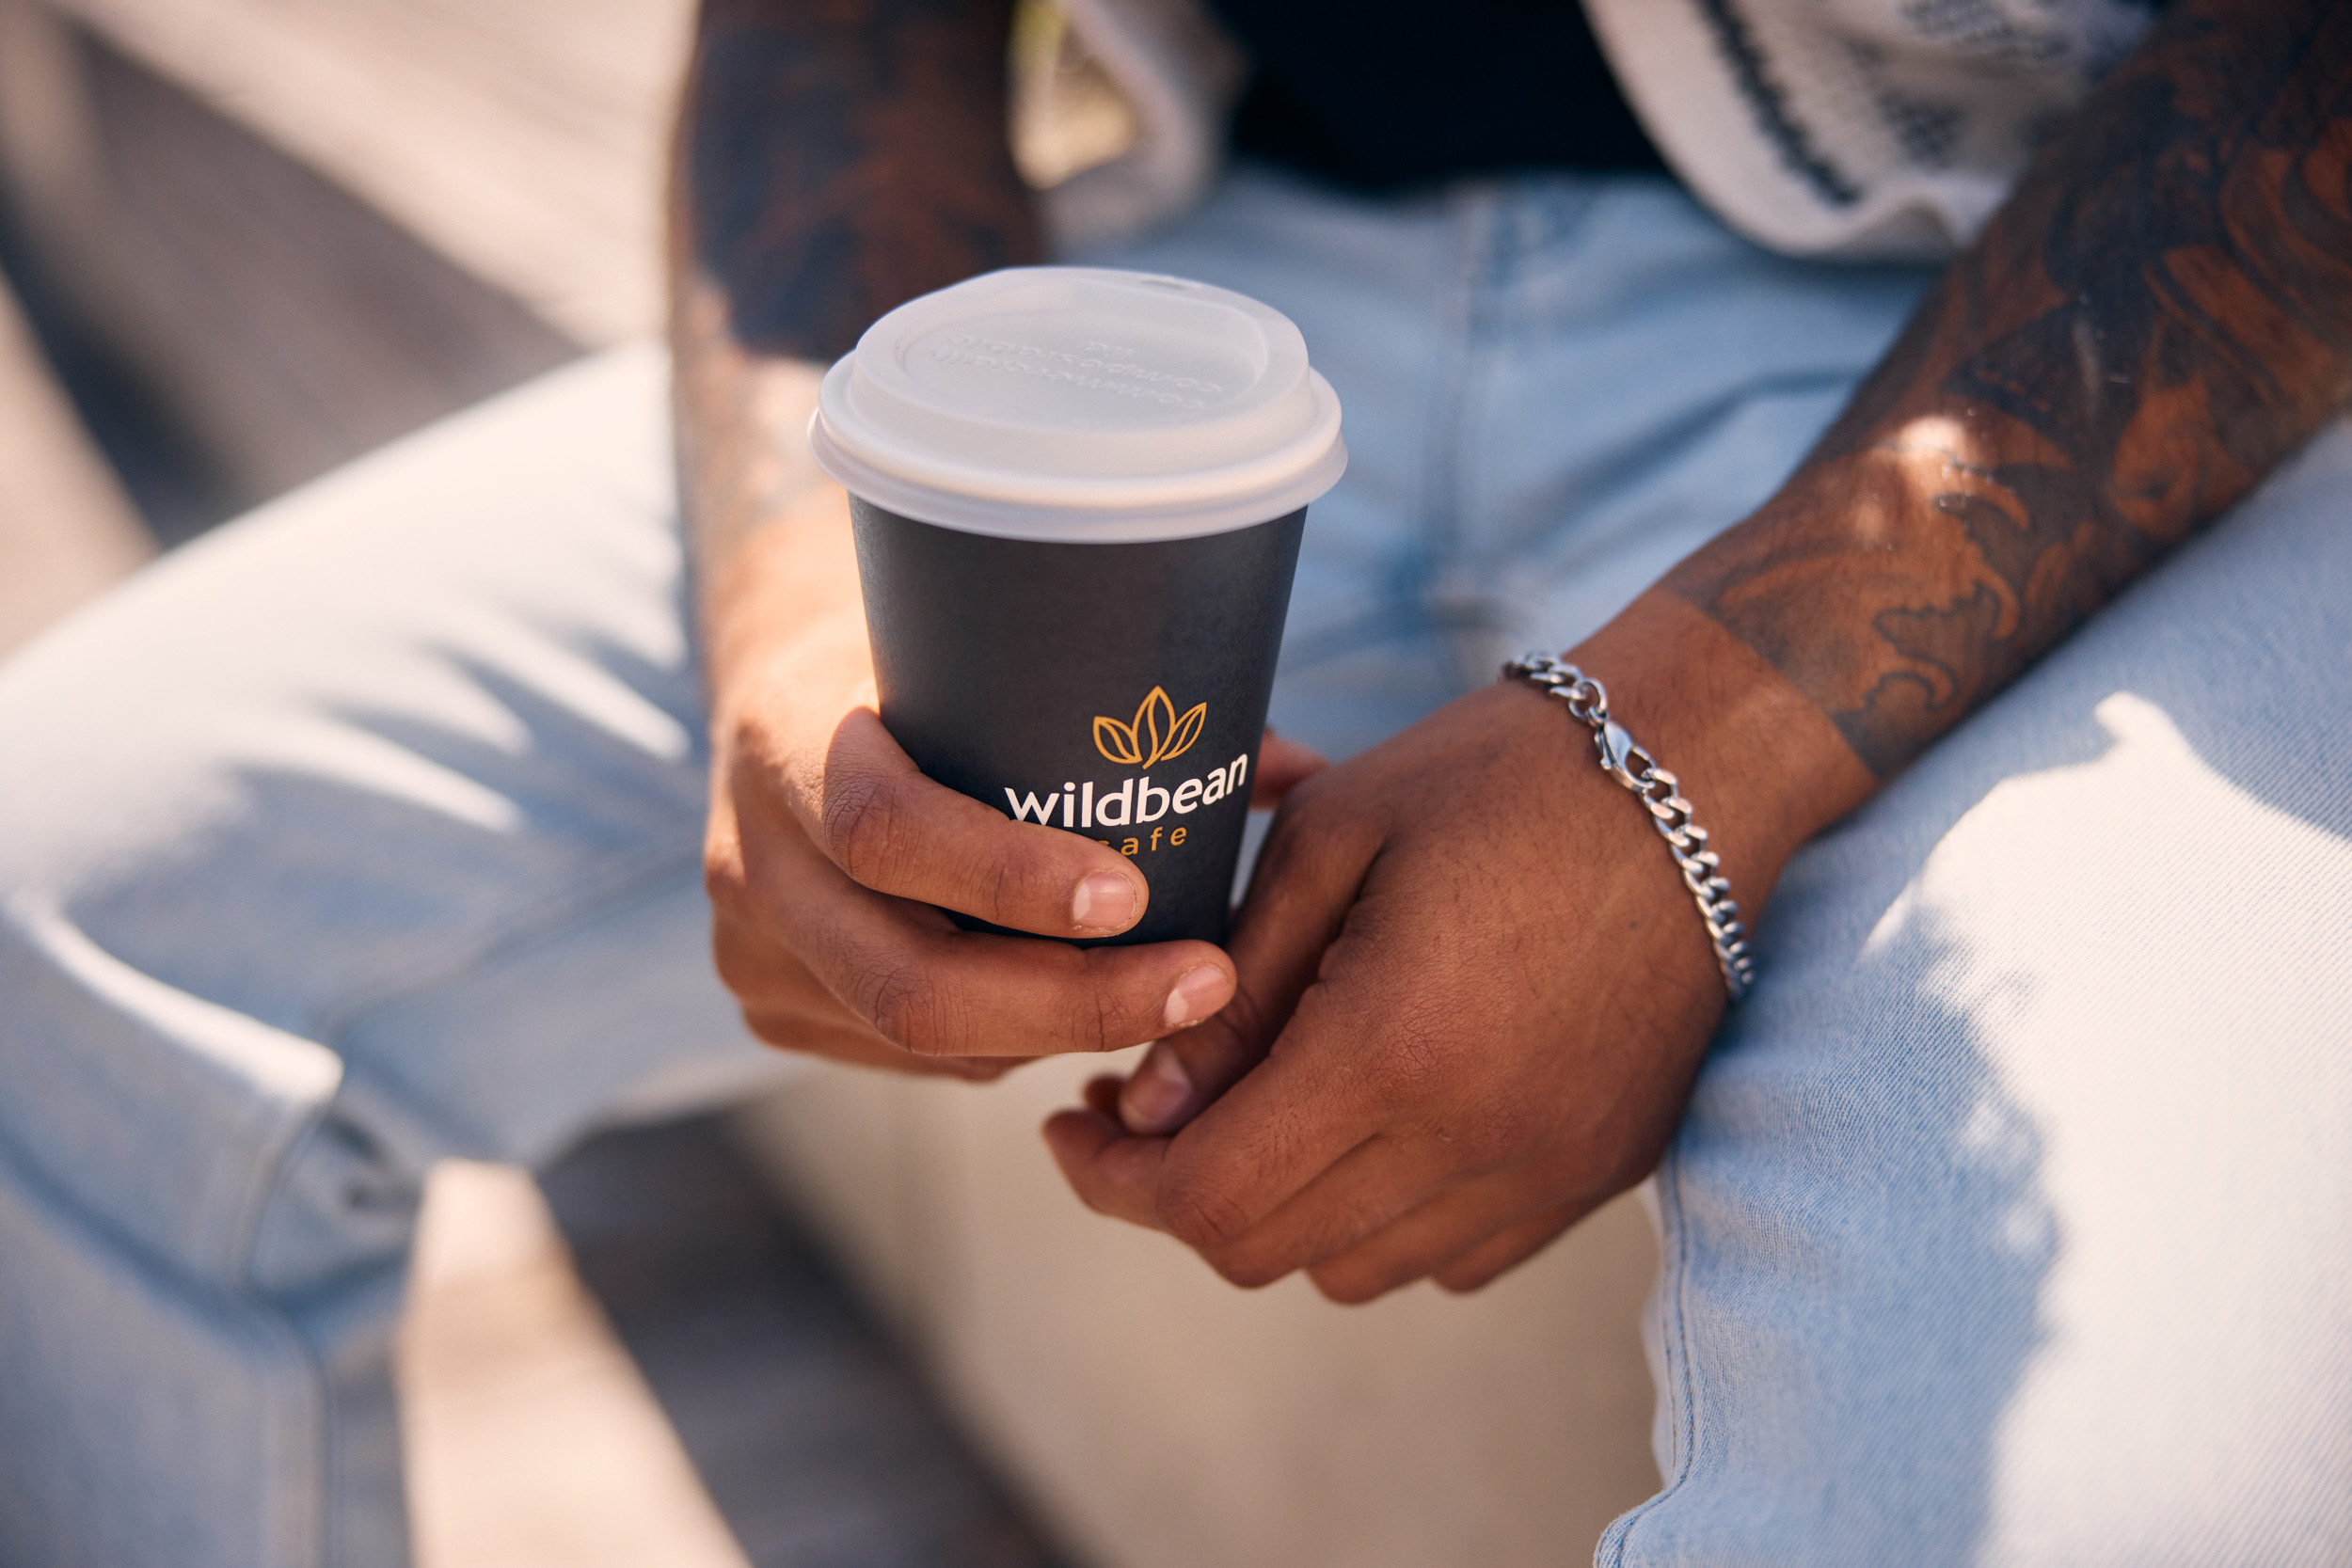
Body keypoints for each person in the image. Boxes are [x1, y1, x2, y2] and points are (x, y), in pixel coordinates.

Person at [2, 0, 2345, 1562]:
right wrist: (805, 592)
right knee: (74, 916)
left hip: (2037, 325)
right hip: (1218, 315)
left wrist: (1688, 753)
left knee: (2079, 1497)